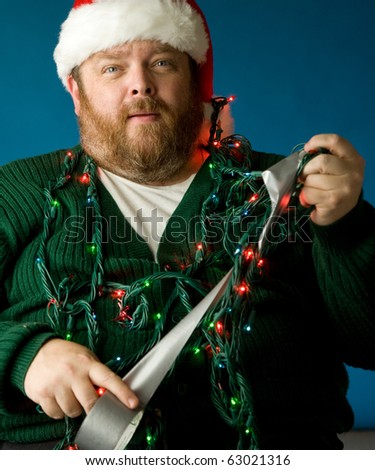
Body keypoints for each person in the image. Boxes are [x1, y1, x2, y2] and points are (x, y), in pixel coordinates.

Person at [0, 0, 374, 451]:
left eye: (161, 62)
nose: (140, 85)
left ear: (196, 82)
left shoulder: (288, 190)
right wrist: (22, 355)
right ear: (77, 93)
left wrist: (345, 225)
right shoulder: (16, 191)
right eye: (112, 68)